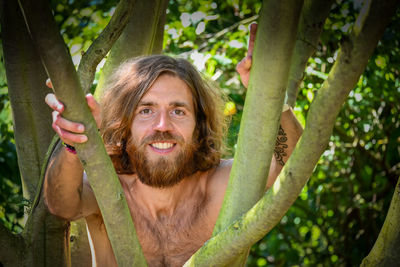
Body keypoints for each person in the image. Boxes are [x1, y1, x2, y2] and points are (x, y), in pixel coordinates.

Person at [44, 24, 303, 267]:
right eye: (146, 110)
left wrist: (270, 91)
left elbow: (288, 165)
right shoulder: (107, 184)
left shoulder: (220, 185)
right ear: (125, 123)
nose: (162, 125)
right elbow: (61, 205)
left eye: (178, 111)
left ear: (199, 124)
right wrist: (73, 144)